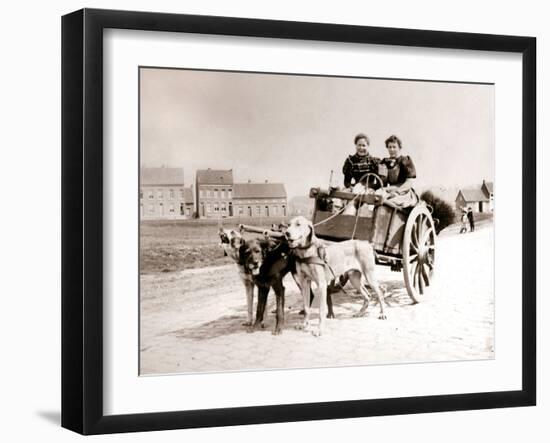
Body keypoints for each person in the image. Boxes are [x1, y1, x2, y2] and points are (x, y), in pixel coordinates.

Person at [376, 135, 418, 209]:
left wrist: (397, 192)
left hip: (404, 192)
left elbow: (409, 183)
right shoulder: (384, 162)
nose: (392, 149)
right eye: (390, 147)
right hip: (389, 190)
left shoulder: (405, 160)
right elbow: (382, 184)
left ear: (399, 148)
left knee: (388, 203)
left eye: (394, 147)